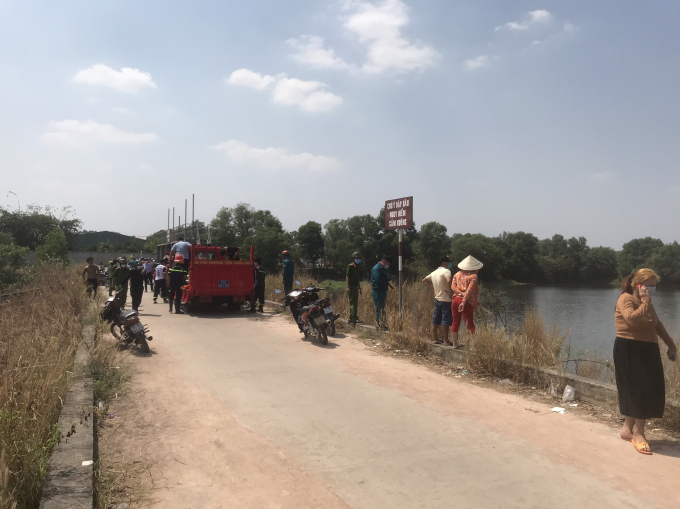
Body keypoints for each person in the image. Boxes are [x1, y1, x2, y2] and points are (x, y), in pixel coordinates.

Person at [614, 268, 677, 455]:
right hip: (630, 348)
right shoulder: (625, 299)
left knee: (646, 389)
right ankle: (639, 433)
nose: (652, 289)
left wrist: (671, 345)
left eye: (654, 286)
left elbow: (657, 324)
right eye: (650, 286)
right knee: (639, 390)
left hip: (648, 349)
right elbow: (631, 320)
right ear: (638, 285)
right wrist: (645, 302)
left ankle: (627, 429)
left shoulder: (646, 303)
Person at [450, 255, 483, 349]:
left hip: (455, 299)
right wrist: (463, 302)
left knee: (455, 322)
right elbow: (469, 291)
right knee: (469, 323)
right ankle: (473, 346)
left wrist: (460, 293)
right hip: (466, 302)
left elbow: (453, 287)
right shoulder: (473, 276)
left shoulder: (457, 274)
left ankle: (455, 344)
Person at [422, 256, 454, 346]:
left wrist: (433, 289)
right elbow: (449, 280)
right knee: (446, 320)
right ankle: (446, 340)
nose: (449, 264)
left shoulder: (434, 272)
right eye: (447, 262)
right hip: (446, 299)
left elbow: (424, 281)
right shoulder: (447, 271)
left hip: (437, 299)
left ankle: (435, 338)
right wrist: (450, 293)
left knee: (435, 319)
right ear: (443, 263)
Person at [370, 256, 392, 330]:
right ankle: (379, 324)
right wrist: (388, 278)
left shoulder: (382, 269)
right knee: (379, 308)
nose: (388, 266)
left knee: (382, 308)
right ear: (384, 262)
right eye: (388, 264)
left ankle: (382, 324)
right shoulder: (376, 268)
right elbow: (378, 279)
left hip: (382, 290)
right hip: (377, 290)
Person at [346, 252, 363, 324]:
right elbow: (347, 276)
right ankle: (354, 317)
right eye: (357, 258)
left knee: (355, 302)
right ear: (353, 258)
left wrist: (359, 288)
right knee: (353, 303)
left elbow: (357, 279)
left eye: (359, 258)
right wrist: (348, 287)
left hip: (355, 286)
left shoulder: (357, 267)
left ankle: (351, 317)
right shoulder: (350, 266)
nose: (358, 259)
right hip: (351, 286)